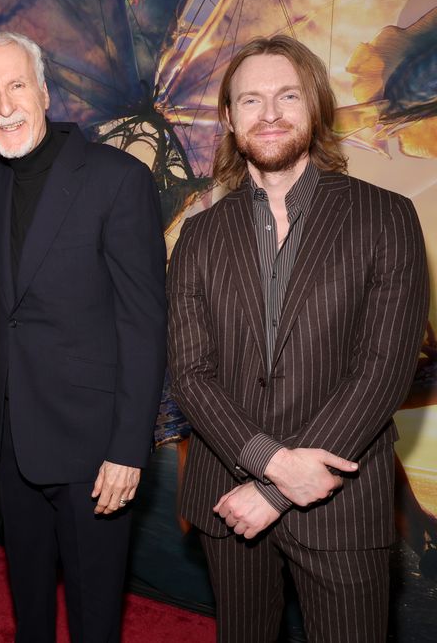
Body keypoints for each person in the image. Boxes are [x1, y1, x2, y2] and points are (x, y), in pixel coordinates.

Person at [167, 35, 429, 642]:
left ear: (315, 105)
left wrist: (274, 491)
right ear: (230, 120)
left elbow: (384, 368)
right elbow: (191, 374)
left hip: (341, 502)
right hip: (225, 499)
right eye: (251, 100)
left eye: (287, 95)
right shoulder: (200, 236)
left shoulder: (386, 216)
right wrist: (274, 468)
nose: (271, 113)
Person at [0, 32, 167, 642]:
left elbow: (143, 321)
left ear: (45, 91)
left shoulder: (117, 179)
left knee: (95, 619)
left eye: (17, 85)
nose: (5, 106)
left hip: (94, 450)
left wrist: (129, 448)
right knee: (30, 615)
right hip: (16, 444)